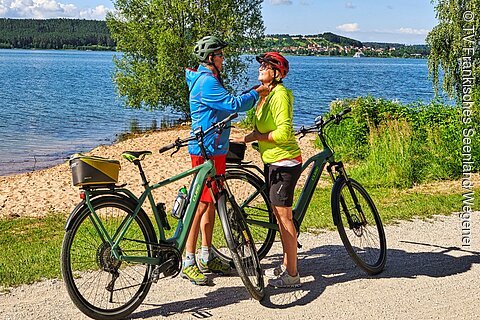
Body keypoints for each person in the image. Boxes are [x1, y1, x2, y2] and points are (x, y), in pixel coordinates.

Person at [182, 35, 270, 285]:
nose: (223, 58)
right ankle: (188, 260)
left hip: (216, 150)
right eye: (220, 55)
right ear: (210, 58)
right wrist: (257, 94)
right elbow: (232, 104)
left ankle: (207, 254)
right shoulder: (206, 82)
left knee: (211, 203)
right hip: (204, 151)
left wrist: (253, 92)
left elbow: (228, 102)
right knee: (200, 204)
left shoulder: (212, 80)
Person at [234, 52, 302, 288]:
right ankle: (287, 262)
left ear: (277, 73)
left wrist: (256, 136)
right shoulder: (265, 93)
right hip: (271, 160)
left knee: (284, 218)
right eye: (261, 64)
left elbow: (283, 133)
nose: (261, 67)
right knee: (280, 216)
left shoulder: (280, 95)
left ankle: (292, 274)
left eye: (266, 65)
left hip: (284, 162)